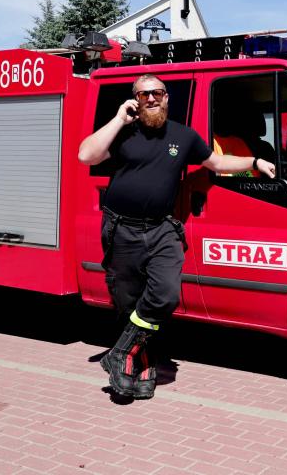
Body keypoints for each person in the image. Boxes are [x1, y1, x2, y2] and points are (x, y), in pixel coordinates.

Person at [78, 74, 276, 399]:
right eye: (143, 95)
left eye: (156, 93)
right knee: (129, 303)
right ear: (135, 100)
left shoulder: (183, 136)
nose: (151, 99)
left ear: (166, 97)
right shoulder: (123, 132)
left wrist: (255, 160)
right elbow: (86, 155)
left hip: (162, 228)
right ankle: (140, 366)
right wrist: (118, 119)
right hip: (121, 228)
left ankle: (120, 353)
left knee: (165, 295)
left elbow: (217, 162)